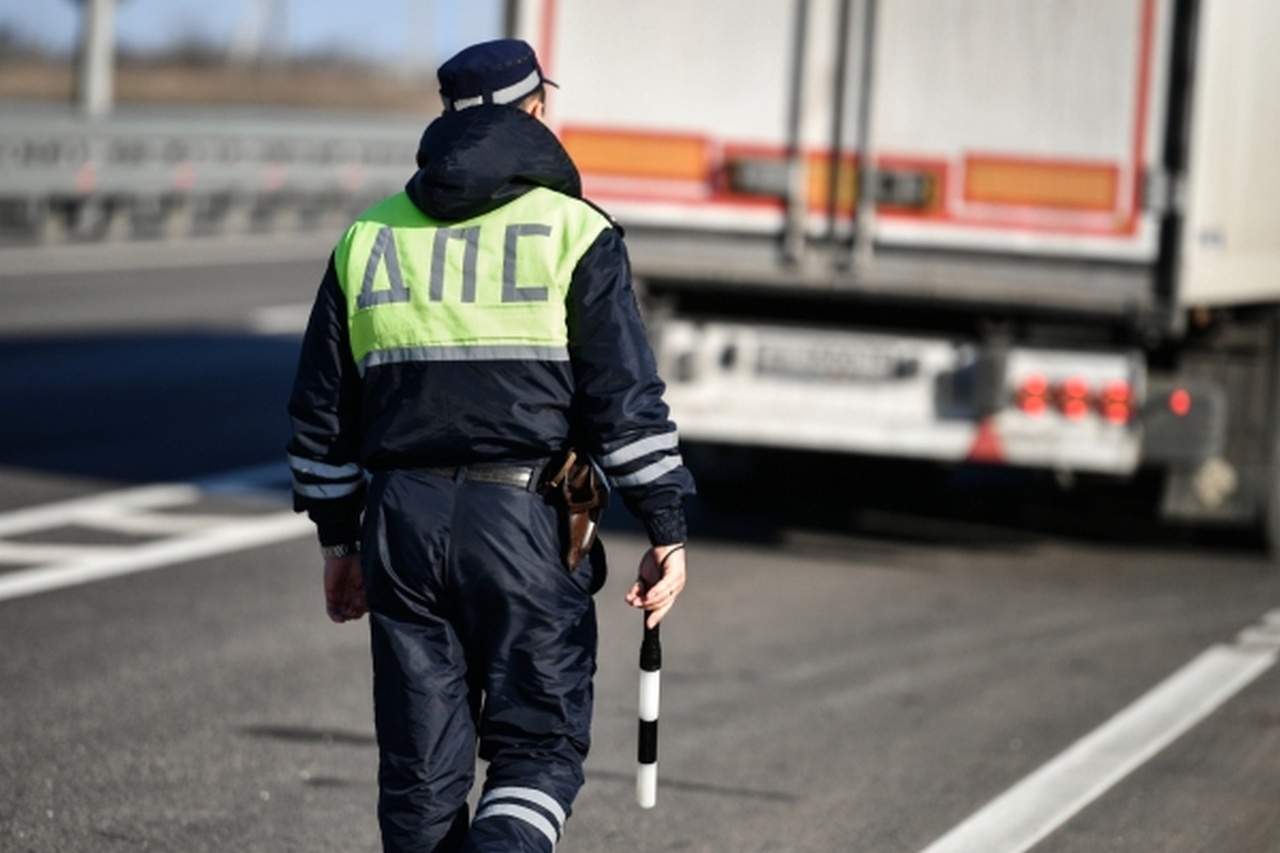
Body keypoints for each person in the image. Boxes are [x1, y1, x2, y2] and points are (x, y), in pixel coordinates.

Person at [286, 38, 695, 853]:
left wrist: (340, 538)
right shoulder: (576, 232)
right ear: (537, 110)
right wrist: (666, 526)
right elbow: (625, 403)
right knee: (536, 749)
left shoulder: (367, 237)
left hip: (401, 521)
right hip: (526, 522)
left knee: (420, 770)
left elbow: (321, 416)